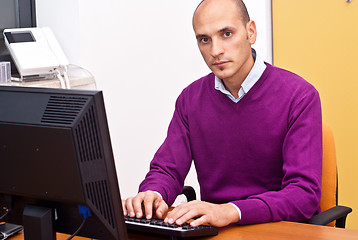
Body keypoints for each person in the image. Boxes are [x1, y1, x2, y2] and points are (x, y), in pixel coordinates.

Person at [122, 0, 322, 228]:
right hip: (216, 230)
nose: (215, 51)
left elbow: (303, 194)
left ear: (251, 32)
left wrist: (232, 211)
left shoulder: (299, 96)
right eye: (204, 39)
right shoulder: (190, 99)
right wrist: (153, 193)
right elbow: (167, 169)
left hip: (279, 228)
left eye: (226, 33)